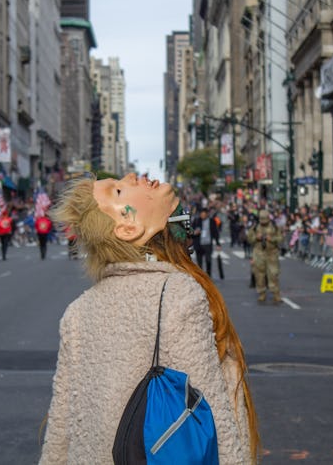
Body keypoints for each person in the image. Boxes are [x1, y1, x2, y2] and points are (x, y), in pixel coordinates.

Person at [39, 173, 257, 464]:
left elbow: (60, 431)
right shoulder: (178, 295)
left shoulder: (77, 312)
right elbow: (212, 417)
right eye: (118, 190)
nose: (132, 176)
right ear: (129, 227)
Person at [247, 209, 284, 304]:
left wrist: (271, 238)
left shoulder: (275, 227)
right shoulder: (255, 227)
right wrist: (256, 237)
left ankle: (276, 294)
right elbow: (249, 239)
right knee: (259, 275)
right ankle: (261, 293)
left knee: (273, 274)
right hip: (259, 253)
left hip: (272, 253)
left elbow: (281, 239)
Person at [192, 206, 221, 276]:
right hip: (198, 244)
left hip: (208, 244)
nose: (202, 216)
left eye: (204, 214)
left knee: (208, 260)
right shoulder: (196, 221)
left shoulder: (212, 221)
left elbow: (215, 232)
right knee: (199, 262)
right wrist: (194, 232)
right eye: (201, 214)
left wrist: (218, 243)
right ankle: (201, 276)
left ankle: (208, 274)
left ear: (207, 214)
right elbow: (190, 231)